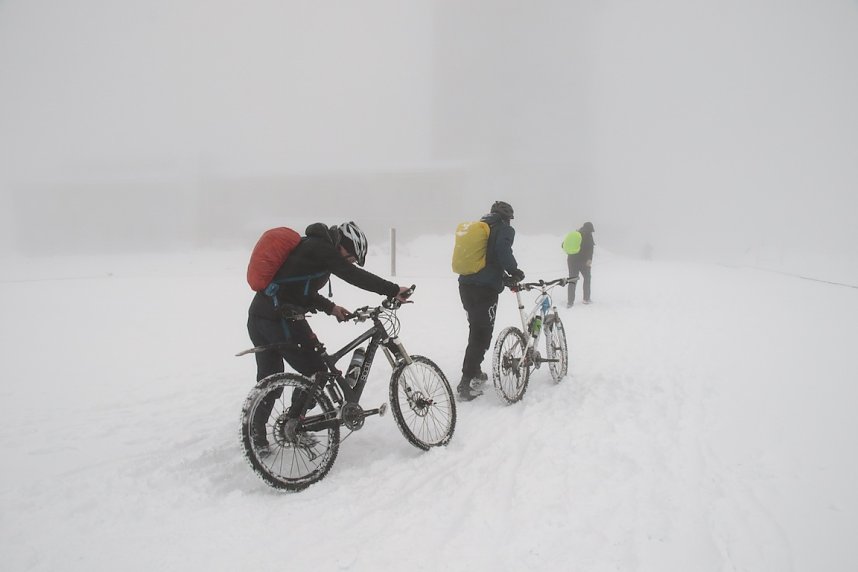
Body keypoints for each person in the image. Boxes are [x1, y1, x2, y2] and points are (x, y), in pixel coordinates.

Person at [247, 221, 410, 447]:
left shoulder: (311, 248)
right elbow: (353, 276)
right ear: (343, 245)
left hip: (260, 317)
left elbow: (300, 290)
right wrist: (393, 290)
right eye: (350, 256)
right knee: (318, 373)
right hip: (281, 319)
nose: (349, 262)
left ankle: (258, 438)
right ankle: (293, 424)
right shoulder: (321, 248)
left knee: (269, 379)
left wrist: (331, 308)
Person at [457, 201, 524, 401]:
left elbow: (488, 258)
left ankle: (474, 371)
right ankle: (466, 382)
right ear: (507, 217)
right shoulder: (503, 229)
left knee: (475, 329)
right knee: (482, 333)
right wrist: (514, 271)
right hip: (485, 289)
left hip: (465, 286)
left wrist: (501, 274)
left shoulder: (481, 227)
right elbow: (502, 251)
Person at [564, 221, 595, 307]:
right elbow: (590, 248)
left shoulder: (576, 234)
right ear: (590, 229)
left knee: (572, 280)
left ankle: (570, 302)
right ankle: (586, 299)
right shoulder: (588, 234)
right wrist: (589, 259)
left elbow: (563, 245)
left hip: (571, 260)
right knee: (587, 278)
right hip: (583, 262)